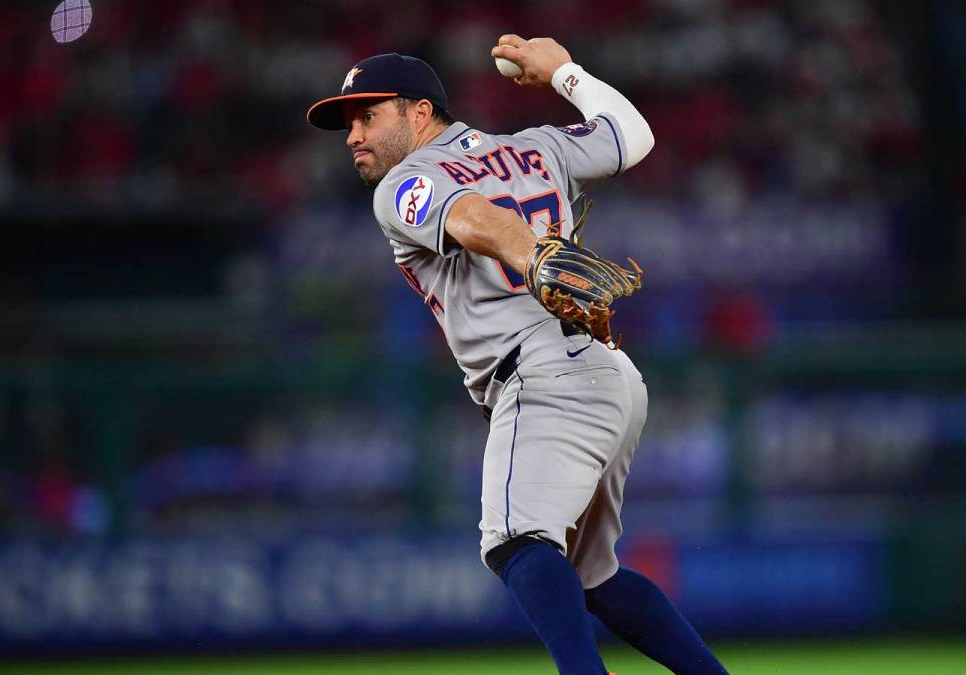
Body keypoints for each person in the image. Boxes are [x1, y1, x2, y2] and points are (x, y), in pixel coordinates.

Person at [307, 35, 728, 675]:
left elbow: (471, 214)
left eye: (368, 115)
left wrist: (529, 254)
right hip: (610, 375)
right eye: (348, 122)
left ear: (420, 113)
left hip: (542, 377)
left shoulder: (404, 183)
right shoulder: (536, 147)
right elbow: (632, 136)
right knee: (593, 578)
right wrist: (565, 73)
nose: (353, 134)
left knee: (514, 542)